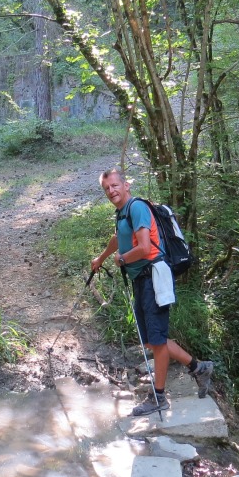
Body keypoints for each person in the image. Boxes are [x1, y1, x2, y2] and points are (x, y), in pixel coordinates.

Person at [91, 167, 214, 416]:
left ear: (126, 185)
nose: (111, 191)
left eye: (115, 185)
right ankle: (199, 368)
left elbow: (145, 248)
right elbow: (118, 237)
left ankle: (158, 398)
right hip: (142, 280)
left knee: (156, 340)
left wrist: (122, 259)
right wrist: (101, 258)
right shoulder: (123, 212)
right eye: (107, 188)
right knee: (150, 339)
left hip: (153, 278)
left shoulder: (136, 207)